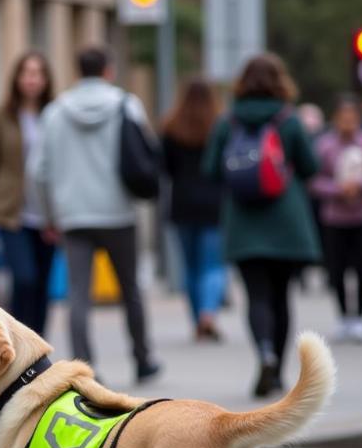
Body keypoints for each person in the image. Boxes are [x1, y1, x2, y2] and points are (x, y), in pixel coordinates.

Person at [30, 46, 159, 383]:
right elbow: (144, 154)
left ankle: (82, 366)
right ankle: (143, 358)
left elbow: (38, 171)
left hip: (73, 214)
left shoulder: (56, 111)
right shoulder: (126, 104)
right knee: (130, 288)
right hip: (119, 212)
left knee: (78, 294)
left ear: (77, 71)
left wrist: (49, 216)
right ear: (109, 70)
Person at [204, 53, 320, 398]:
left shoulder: (227, 122)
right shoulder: (290, 120)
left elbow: (211, 170)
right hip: (286, 220)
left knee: (256, 296)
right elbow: (311, 166)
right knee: (282, 296)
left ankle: (264, 354)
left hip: (244, 221)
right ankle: (279, 371)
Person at [0, 52, 56, 336]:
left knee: (43, 285)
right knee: (25, 279)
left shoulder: (55, 114)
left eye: (38, 73)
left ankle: (38, 346)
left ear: (46, 80)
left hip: (46, 214)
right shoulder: (1, 115)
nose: (32, 79)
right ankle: (18, 339)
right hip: (10, 213)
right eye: (27, 73)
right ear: (17, 78)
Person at [310, 95, 362, 342]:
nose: (347, 124)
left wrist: (360, 186)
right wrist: (337, 189)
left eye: (352, 119)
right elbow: (313, 179)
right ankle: (344, 316)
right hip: (335, 217)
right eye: (343, 119)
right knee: (337, 268)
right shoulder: (324, 146)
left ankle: (360, 318)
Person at [161, 77, 225, 342]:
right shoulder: (220, 127)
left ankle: (198, 317)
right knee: (213, 265)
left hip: (183, 203)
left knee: (190, 267)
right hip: (215, 204)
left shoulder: (171, 128)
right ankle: (209, 314)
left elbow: (165, 169)